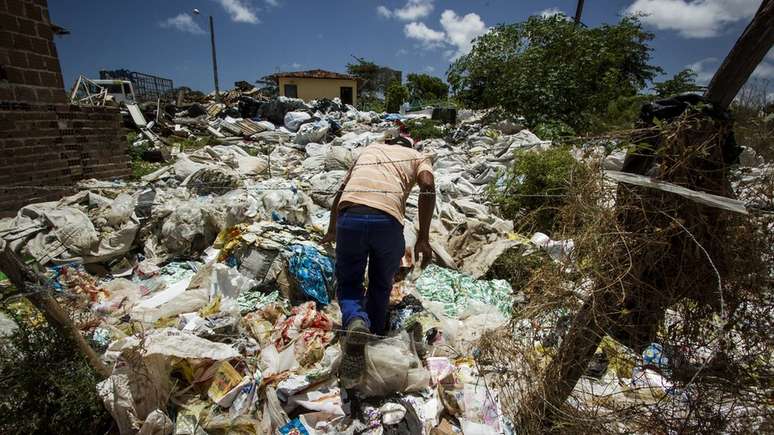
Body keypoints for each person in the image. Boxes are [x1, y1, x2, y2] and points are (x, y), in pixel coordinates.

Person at [322, 133, 435, 385]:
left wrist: (333, 229)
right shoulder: (419, 156)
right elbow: (427, 186)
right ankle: (371, 338)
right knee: (381, 283)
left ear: (390, 143)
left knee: (349, 283)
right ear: (411, 145)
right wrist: (424, 238)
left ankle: (356, 321)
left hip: (350, 216)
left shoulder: (370, 149)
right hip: (388, 221)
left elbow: (341, 192)